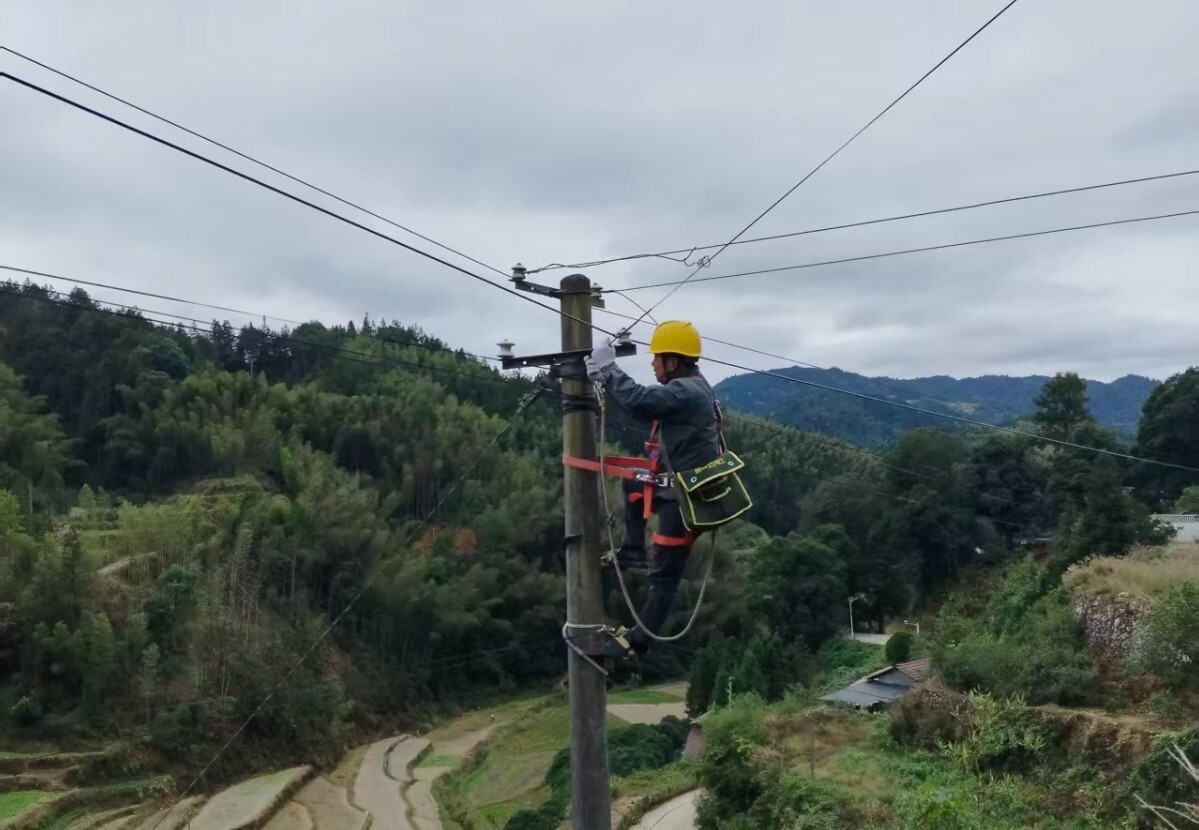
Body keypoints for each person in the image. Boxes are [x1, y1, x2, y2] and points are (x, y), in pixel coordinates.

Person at [584, 320, 721, 659]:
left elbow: (642, 402)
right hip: (682, 489)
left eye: (657, 358)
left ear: (673, 362)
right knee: (632, 480)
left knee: (664, 575)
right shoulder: (694, 387)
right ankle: (632, 548)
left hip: (684, 501)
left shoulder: (685, 391)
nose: (652, 363)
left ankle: (638, 641)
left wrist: (608, 370)